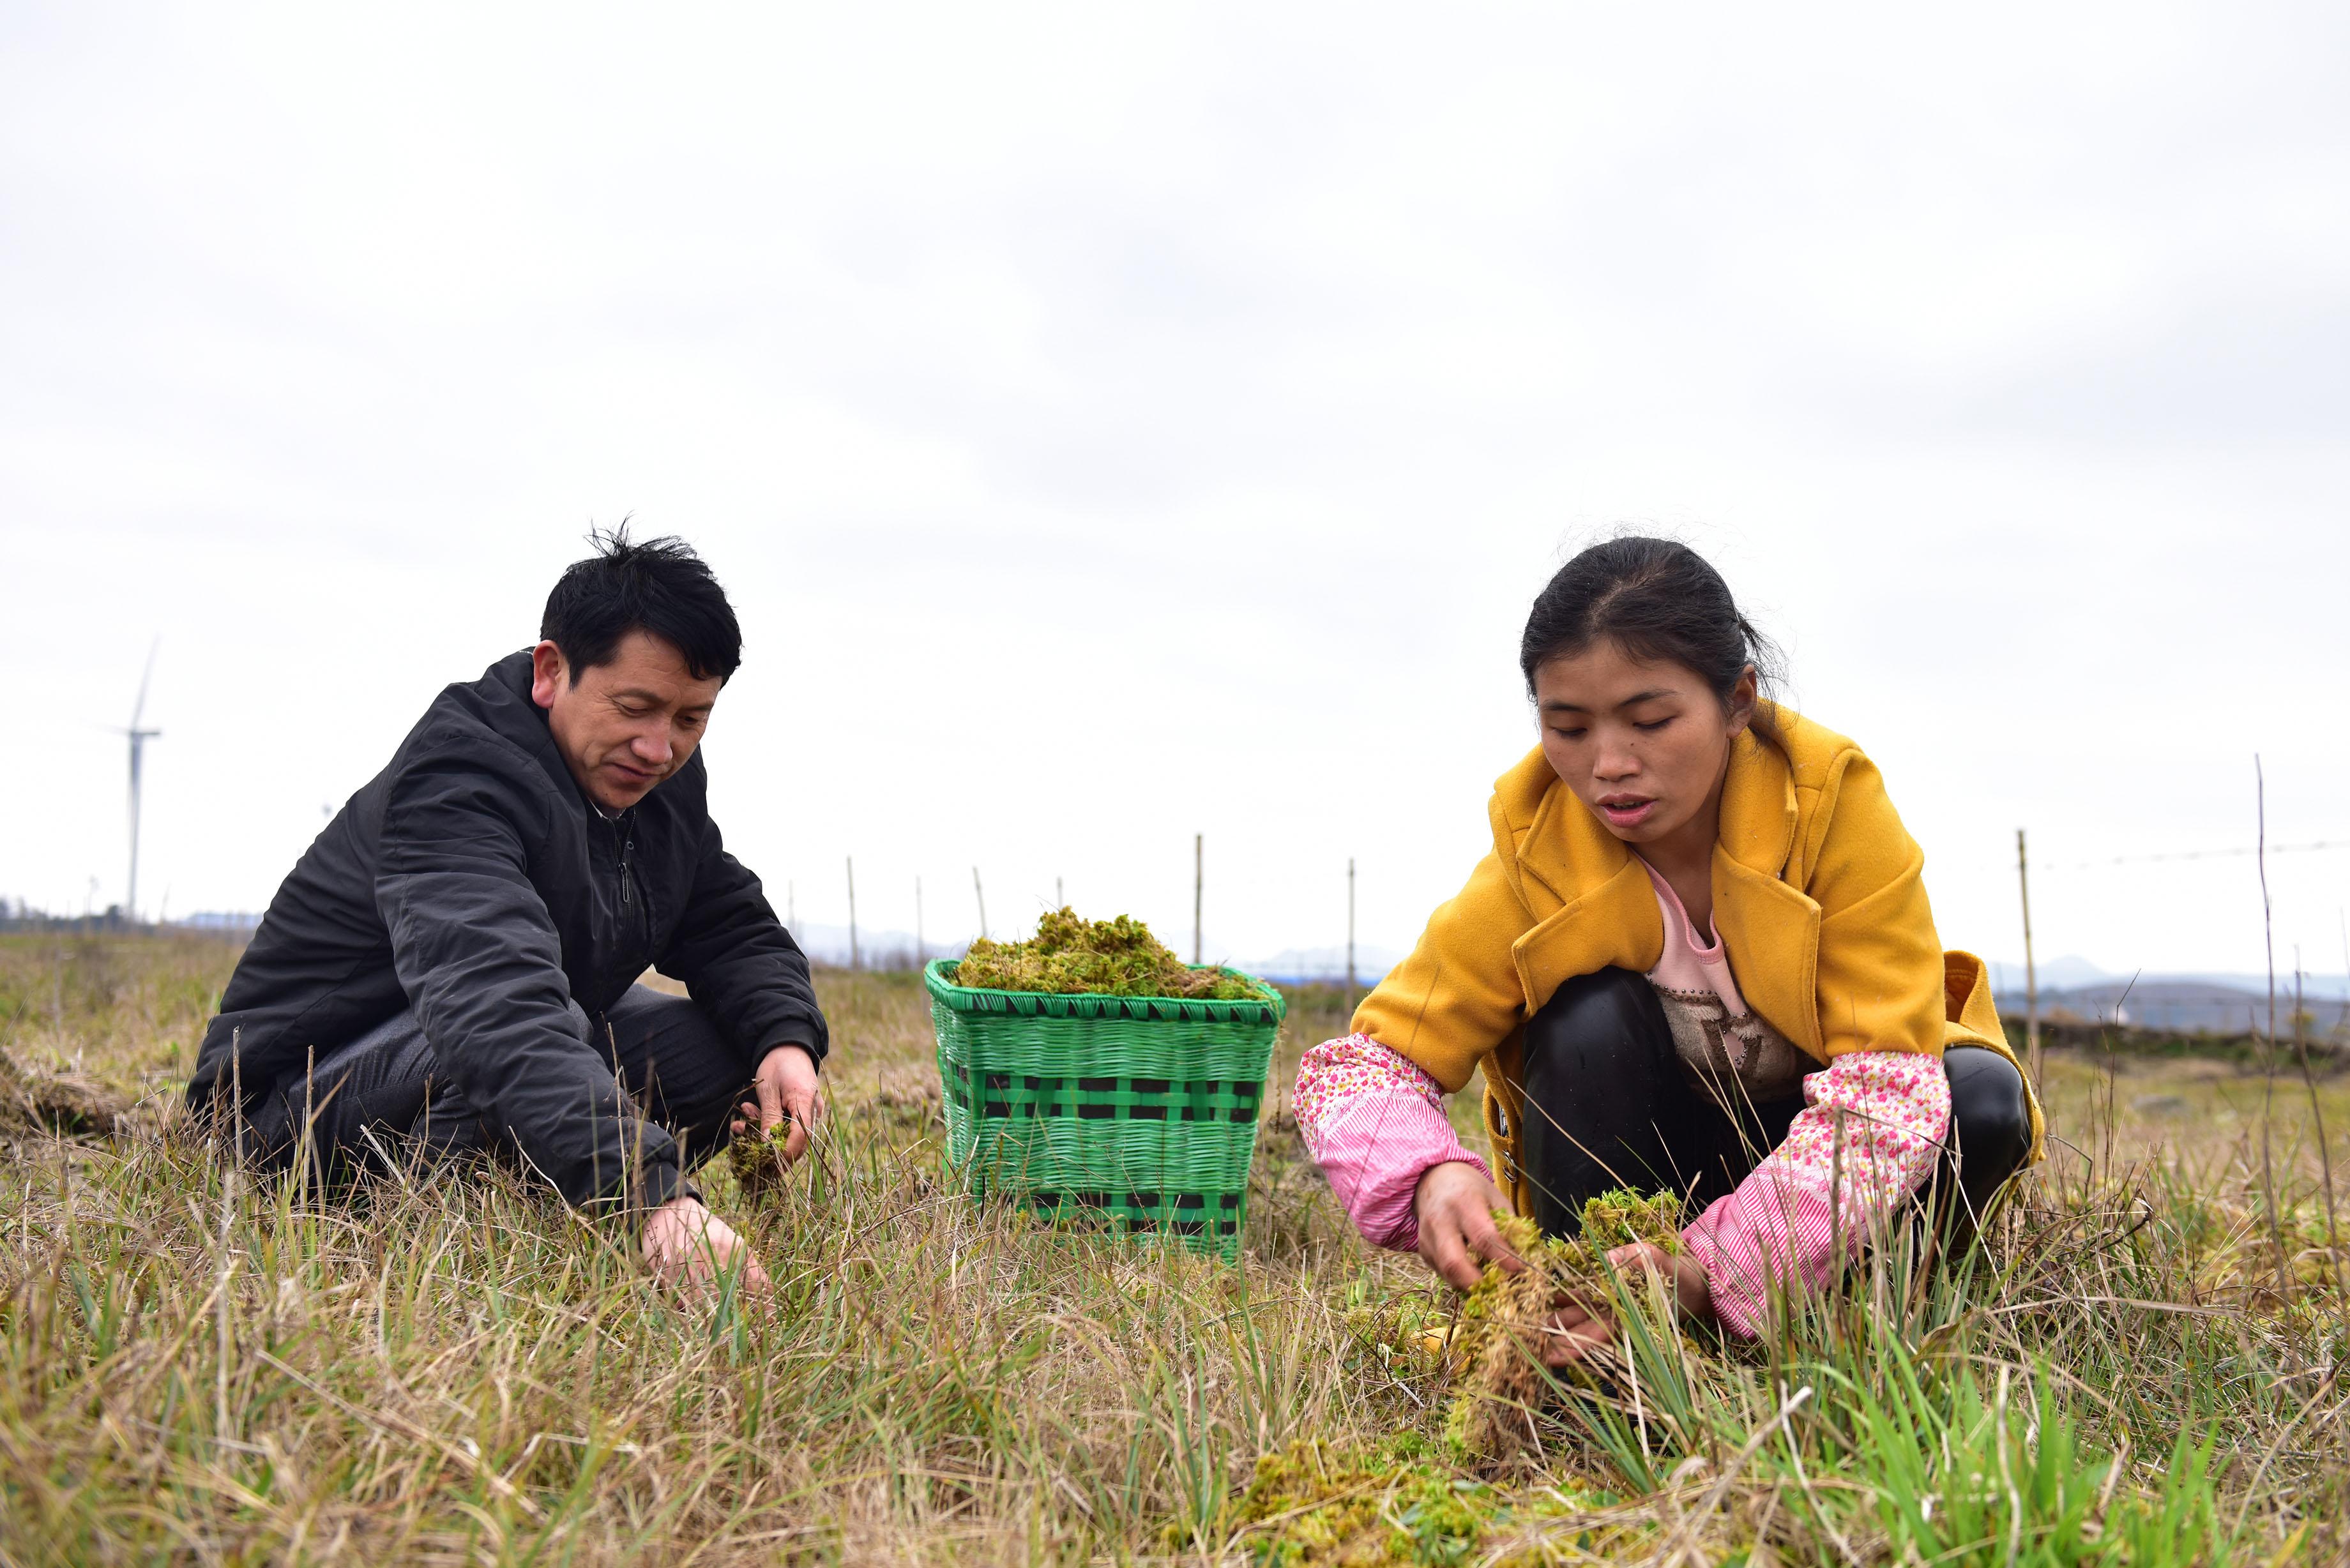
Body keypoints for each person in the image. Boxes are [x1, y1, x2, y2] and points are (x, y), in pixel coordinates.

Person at [1295, 538, 2041, 1357]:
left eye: (1651, 720)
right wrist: (1429, 1174)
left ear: (1737, 701)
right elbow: (1362, 1068)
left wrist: (1704, 1264)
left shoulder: (1832, 808)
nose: (1609, 765)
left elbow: (1885, 1097)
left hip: (1818, 1187)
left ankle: (1851, 1340)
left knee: (1977, 1096)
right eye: (1567, 727)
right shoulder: (1539, 846)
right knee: (1585, 1018)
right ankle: (1589, 1337)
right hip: (1650, 1178)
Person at [185, 529, 826, 1293]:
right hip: (285, 1109)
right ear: (551, 671)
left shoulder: (654, 784)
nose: (659, 747)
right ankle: (442, 1259)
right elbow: (492, 1006)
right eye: (635, 707)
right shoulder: (456, 779)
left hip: (453, 1051)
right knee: (498, 1040)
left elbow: (725, 919)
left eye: (691, 719)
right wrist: (651, 1194)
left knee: (726, 1047)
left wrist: (784, 1041)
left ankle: (539, 1199)